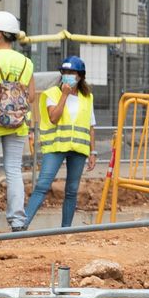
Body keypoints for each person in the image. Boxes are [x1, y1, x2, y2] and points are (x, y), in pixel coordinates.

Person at [0, 12, 36, 235]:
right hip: (18, 124)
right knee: (13, 170)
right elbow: (30, 96)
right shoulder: (26, 62)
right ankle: (18, 221)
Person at [22, 56, 96, 230]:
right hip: (56, 147)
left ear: (80, 75)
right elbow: (54, 118)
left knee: (71, 191)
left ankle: (65, 230)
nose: (68, 75)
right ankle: (21, 226)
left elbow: (91, 125)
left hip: (78, 148)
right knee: (42, 186)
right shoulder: (52, 94)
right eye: (65, 72)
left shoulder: (87, 97)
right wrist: (64, 95)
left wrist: (93, 152)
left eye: (72, 72)